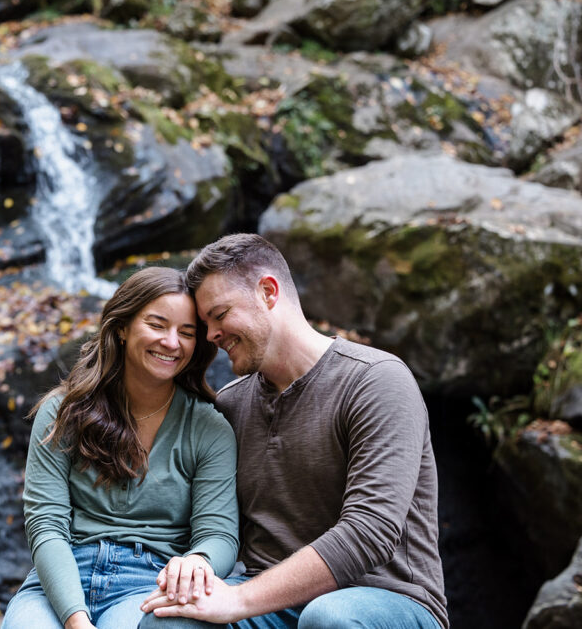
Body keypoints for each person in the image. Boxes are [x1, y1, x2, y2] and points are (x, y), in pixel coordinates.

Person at [140, 233, 448, 629]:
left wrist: (238, 599)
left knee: (328, 618)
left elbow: (370, 532)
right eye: (204, 324)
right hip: (267, 604)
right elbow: (203, 519)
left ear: (268, 292)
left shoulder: (375, 381)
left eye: (219, 314)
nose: (211, 335)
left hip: (386, 600)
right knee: (168, 622)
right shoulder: (230, 407)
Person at [2, 266, 240, 629]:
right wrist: (75, 619)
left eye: (187, 333)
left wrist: (200, 561)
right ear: (122, 328)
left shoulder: (208, 428)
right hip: (60, 578)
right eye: (157, 325)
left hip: (149, 584)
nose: (172, 342)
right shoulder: (62, 411)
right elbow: (46, 524)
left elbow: (219, 533)